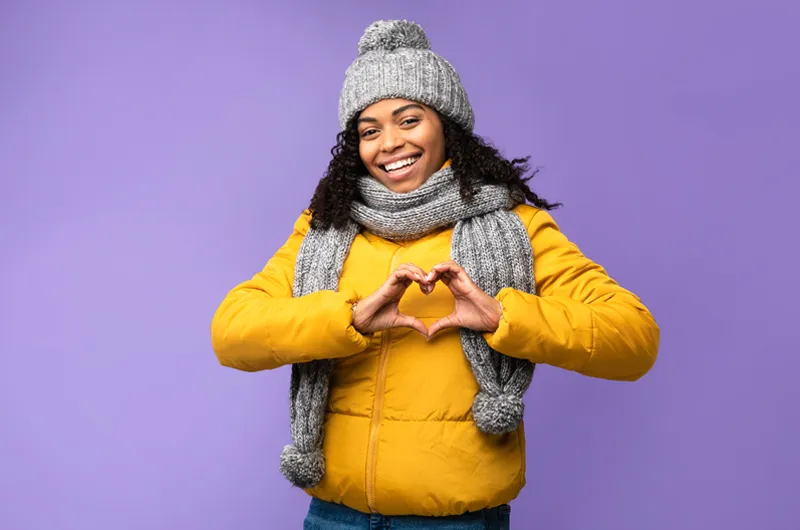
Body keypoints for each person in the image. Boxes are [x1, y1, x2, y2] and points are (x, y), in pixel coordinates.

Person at [210, 19, 660, 530]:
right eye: (369, 130)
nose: (389, 143)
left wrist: (503, 317)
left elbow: (635, 339)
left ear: (445, 125)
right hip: (334, 516)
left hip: (454, 523)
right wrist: (348, 320)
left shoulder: (518, 227)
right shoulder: (325, 228)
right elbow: (231, 332)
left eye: (409, 120)